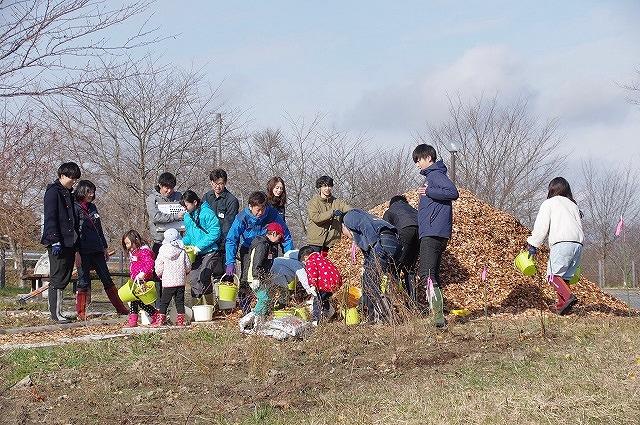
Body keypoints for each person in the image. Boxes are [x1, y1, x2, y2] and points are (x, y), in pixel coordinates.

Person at [413, 143, 459, 328]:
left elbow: (453, 192)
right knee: (431, 274)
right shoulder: (432, 176)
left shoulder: (435, 175)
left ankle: (438, 317)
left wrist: (429, 191)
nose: (417, 164)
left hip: (433, 232)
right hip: (434, 231)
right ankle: (437, 314)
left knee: (427, 274)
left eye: (418, 160)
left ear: (428, 158)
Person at [225, 191, 294, 313]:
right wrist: (230, 261)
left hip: (269, 248)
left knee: (267, 279)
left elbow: (285, 235)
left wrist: (289, 256)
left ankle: (265, 308)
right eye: (257, 210)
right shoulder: (242, 217)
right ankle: (245, 309)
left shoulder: (272, 214)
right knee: (247, 279)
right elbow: (232, 239)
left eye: (263, 209)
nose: (260, 213)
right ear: (250, 207)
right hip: (248, 250)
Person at [526, 177, 582, 315]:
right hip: (578, 244)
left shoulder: (549, 203)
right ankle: (562, 306)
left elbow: (541, 226)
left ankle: (568, 297)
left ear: (551, 189)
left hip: (561, 242)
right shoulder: (573, 205)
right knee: (565, 277)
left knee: (552, 276)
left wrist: (533, 244)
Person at [73, 180, 128, 319]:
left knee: (107, 279)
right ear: (81, 191)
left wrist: (104, 247)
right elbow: (73, 232)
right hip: (83, 250)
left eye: (93, 192)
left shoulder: (93, 208)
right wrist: (76, 252)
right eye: (88, 192)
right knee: (83, 281)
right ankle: (81, 313)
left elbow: (99, 229)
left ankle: (121, 308)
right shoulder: (74, 208)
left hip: (97, 250)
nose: (91, 194)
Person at [342, 209, 401, 324]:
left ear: (343, 227)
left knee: (371, 282)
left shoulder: (348, 217)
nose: (347, 237)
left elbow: (363, 223)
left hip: (383, 241)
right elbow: (368, 257)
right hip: (393, 242)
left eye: (343, 233)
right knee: (370, 279)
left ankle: (378, 318)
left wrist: (375, 244)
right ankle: (376, 316)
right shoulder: (367, 228)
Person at [41, 162, 81, 323]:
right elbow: (50, 217)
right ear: (62, 175)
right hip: (58, 241)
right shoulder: (53, 192)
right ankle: (55, 314)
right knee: (58, 277)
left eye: (75, 178)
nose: (73, 181)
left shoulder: (68, 193)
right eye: (71, 177)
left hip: (69, 242)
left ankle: (59, 311)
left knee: (64, 276)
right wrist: (55, 240)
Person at [238, 222, 285, 332]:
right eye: (279, 237)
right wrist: (255, 277)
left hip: (261, 277)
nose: (279, 240)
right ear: (273, 233)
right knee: (264, 298)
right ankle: (247, 321)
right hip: (254, 277)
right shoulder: (262, 244)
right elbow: (256, 262)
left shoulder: (270, 245)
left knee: (266, 298)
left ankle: (259, 322)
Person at [146, 172, 184, 306]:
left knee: (177, 276)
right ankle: (159, 307)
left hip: (177, 244)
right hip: (159, 242)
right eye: (166, 188)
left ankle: (177, 307)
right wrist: (175, 217)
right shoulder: (152, 198)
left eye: (171, 188)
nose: (169, 191)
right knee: (158, 275)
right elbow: (155, 216)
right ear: (160, 185)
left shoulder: (179, 197)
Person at [181, 190, 223, 306]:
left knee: (203, 276)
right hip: (196, 253)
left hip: (210, 251)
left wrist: (199, 246)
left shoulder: (207, 213)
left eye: (186, 205)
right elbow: (189, 235)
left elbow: (215, 232)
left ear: (194, 202)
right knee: (194, 278)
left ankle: (208, 306)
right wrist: (181, 243)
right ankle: (197, 307)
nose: (185, 208)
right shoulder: (187, 216)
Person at [382, 195, 419, 301]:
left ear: (391, 203)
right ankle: (413, 303)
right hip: (420, 232)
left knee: (395, 267)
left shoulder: (390, 210)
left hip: (404, 231)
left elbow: (386, 232)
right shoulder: (413, 209)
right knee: (410, 269)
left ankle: (396, 301)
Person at [121, 230, 160, 327]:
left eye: (128, 243)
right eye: (125, 244)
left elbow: (149, 263)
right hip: (135, 280)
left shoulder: (144, 251)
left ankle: (154, 314)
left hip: (143, 280)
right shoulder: (133, 252)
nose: (127, 246)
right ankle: (133, 320)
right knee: (133, 299)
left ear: (135, 240)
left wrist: (143, 273)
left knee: (138, 300)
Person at [154, 228, 191, 327]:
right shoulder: (182, 250)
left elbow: (159, 265)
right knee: (180, 302)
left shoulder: (162, 250)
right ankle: (180, 321)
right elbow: (187, 265)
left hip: (168, 282)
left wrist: (159, 274)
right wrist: (186, 272)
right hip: (180, 281)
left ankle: (160, 320)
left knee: (164, 302)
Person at [306, 175, 352, 254]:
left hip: (332, 242)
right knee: (315, 265)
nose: (327, 188)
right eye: (325, 186)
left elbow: (347, 208)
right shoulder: (313, 202)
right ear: (320, 187)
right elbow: (316, 218)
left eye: (329, 186)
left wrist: (356, 212)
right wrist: (332, 213)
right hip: (316, 242)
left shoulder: (337, 202)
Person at [298, 245, 342, 325]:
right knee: (324, 299)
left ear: (305, 257)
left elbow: (312, 274)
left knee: (317, 301)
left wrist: (312, 285)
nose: (304, 264)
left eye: (303, 262)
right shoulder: (321, 258)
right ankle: (328, 314)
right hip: (334, 282)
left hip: (324, 284)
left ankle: (316, 320)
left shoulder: (310, 261)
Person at [202, 169, 240, 248]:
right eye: (215, 184)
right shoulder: (206, 197)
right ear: (211, 182)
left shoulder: (232, 201)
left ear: (225, 183)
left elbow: (228, 225)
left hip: (223, 242)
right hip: (207, 239)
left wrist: (220, 243)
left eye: (220, 184)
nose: (217, 187)